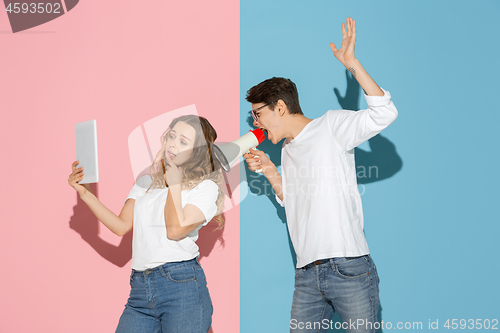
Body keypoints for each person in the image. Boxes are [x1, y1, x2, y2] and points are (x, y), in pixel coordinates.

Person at [243, 18, 398, 333]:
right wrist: (271, 171)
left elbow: (385, 113)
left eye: (258, 114)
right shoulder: (287, 150)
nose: (257, 123)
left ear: (281, 107)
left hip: (348, 266)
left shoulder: (331, 126)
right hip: (307, 274)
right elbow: (294, 201)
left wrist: (352, 65)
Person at [68, 115, 225, 333]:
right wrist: (85, 194)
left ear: (196, 152)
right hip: (141, 287)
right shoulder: (147, 180)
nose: (173, 144)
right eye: (172, 136)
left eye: (183, 141)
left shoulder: (205, 188)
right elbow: (121, 225)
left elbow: (175, 229)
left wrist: (175, 185)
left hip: (181, 287)